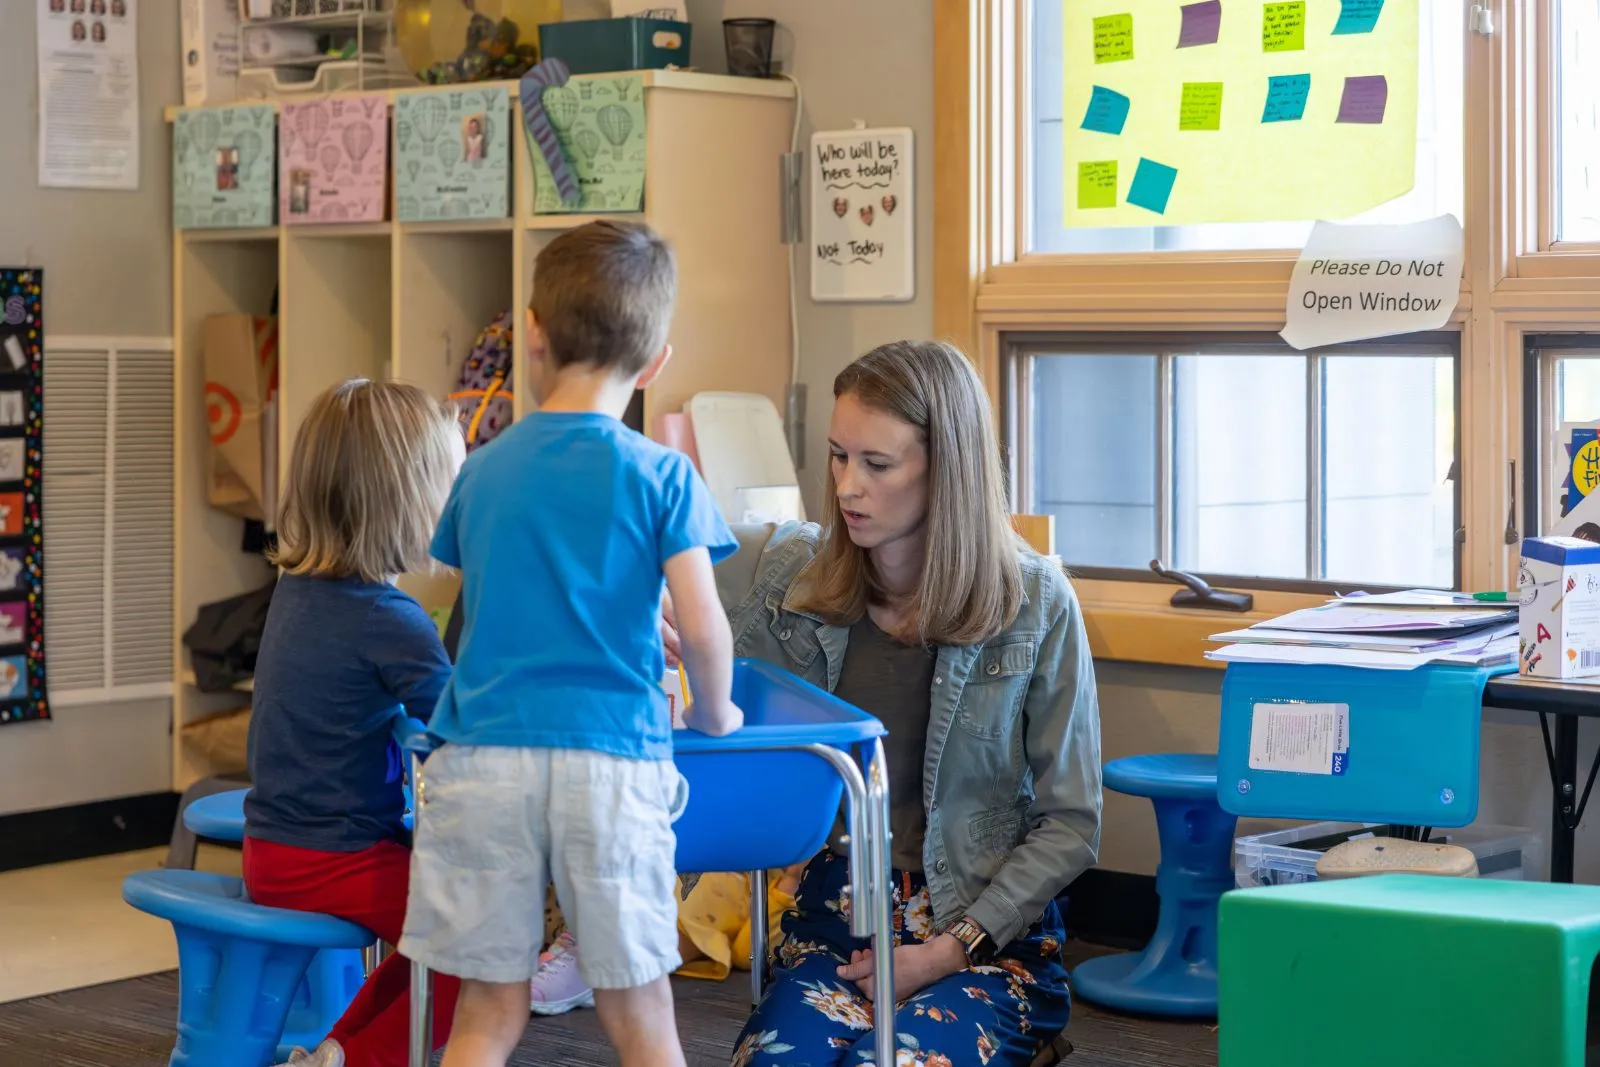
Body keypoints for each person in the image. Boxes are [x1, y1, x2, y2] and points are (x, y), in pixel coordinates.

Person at [691, 341, 1103, 1067]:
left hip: (979, 938)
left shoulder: (1036, 602)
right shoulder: (795, 570)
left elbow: (1072, 823)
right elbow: (677, 564)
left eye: (877, 465)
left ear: (947, 471)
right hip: (834, 928)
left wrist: (948, 950)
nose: (848, 486)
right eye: (837, 456)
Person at [399, 220, 743, 1067]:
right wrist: (714, 706)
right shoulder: (663, 473)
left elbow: (458, 590)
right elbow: (702, 624)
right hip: (609, 763)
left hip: (482, 756)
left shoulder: (482, 468)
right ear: (658, 358)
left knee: (485, 1012)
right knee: (642, 1014)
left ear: (533, 336)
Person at [242, 379, 467, 1067]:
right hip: (330, 856)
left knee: (445, 932)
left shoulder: (298, 590)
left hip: (278, 845)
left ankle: (339, 1052)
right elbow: (460, 725)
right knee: (482, 938)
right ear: (410, 502)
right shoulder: (387, 617)